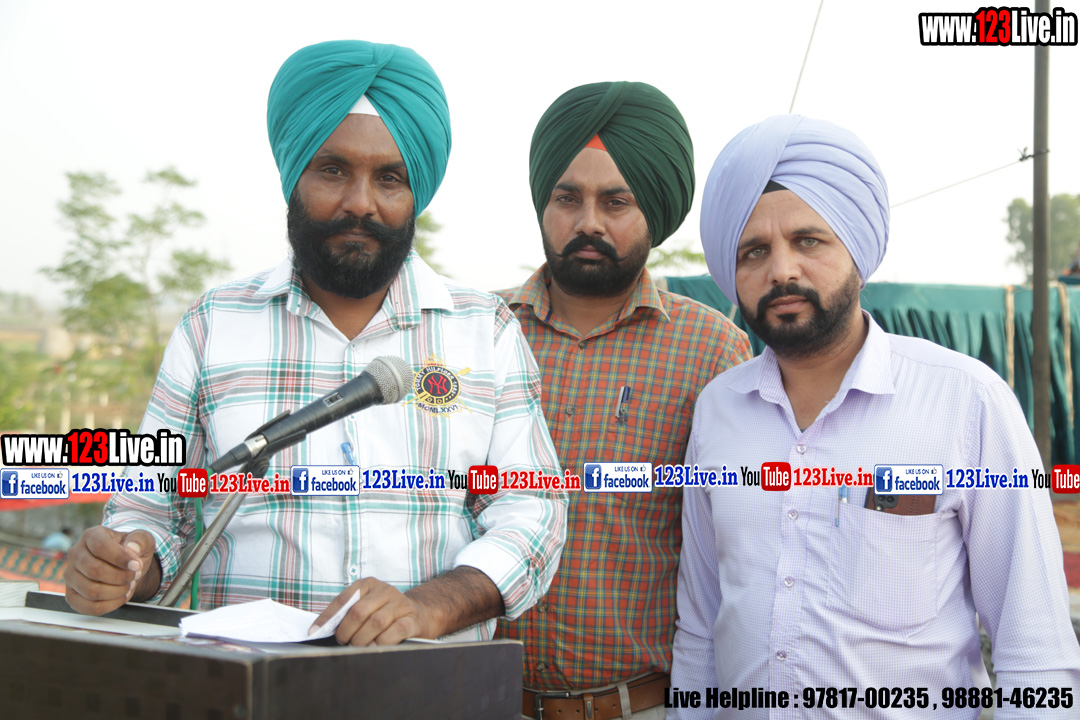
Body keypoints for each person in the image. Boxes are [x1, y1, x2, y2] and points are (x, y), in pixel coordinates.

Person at [63, 40, 567, 646]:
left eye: (390, 178)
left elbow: (531, 516)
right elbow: (148, 510)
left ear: (417, 192)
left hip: (427, 686)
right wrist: (124, 563)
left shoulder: (483, 330)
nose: (360, 203)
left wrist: (424, 609)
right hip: (245, 683)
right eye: (333, 170)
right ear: (293, 176)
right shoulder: (213, 325)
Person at [672, 114, 1080, 718]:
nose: (781, 269)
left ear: (858, 253)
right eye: (754, 250)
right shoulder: (718, 410)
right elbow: (702, 627)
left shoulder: (965, 401)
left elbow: (1034, 646)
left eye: (808, 241)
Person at [496, 82, 751, 719]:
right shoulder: (479, 332)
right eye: (567, 198)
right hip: (484, 702)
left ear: (653, 212)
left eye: (616, 201)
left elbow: (736, 545)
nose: (588, 222)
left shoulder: (710, 348)